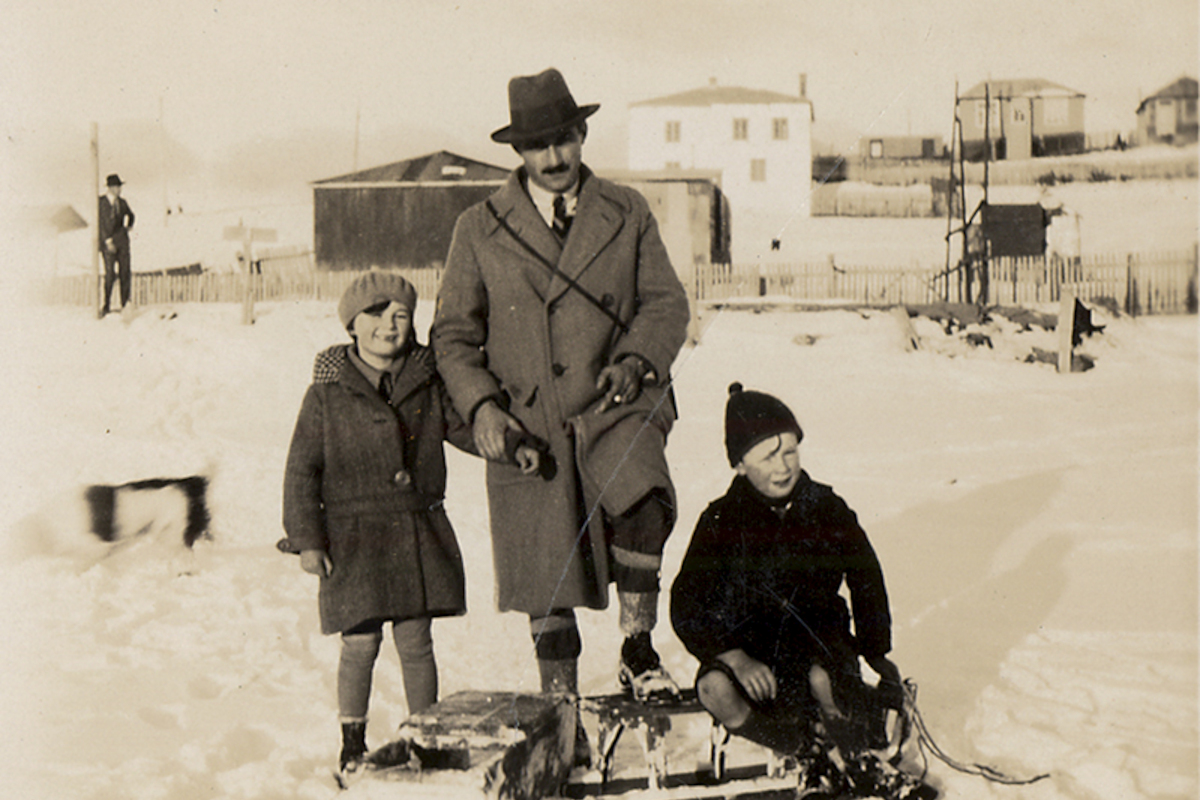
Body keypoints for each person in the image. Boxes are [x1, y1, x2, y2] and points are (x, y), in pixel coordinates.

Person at [432, 68, 691, 703]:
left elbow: (665, 304)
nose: (553, 158)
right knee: (544, 569)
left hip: (615, 401)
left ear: (582, 134)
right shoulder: (478, 227)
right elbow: (453, 337)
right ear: (517, 152)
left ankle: (637, 648)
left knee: (645, 498)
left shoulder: (626, 211)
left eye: (564, 140)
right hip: (530, 421)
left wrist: (633, 360)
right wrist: (483, 409)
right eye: (538, 146)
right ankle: (559, 702)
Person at [280, 271, 543, 772]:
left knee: (416, 642)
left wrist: (512, 445)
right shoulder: (326, 394)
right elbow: (300, 470)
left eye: (400, 315)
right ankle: (352, 742)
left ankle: (426, 735)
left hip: (415, 532)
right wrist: (307, 539)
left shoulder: (425, 380)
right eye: (375, 315)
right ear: (351, 325)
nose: (389, 325)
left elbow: (467, 430)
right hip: (352, 538)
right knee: (360, 643)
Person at [670, 384, 935, 799]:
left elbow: (866, 576)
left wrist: (875, 649)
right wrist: (734, 659)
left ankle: (860, 758)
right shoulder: (721, 520)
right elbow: (686, 602)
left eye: (790, 452)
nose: (783, 466)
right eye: (767, 456)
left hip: (818, 643)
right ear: (740, 465)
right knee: (713, 690)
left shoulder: (825, 507)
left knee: (822, 678)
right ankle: (808, 755)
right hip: (754, 653)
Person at [98, 173, 134, 315]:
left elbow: (131, 215)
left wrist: (128, 227)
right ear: (111, 188)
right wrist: (108, 241)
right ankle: (106, 306)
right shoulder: (100, 202)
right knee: (110, 275)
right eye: (117, 187)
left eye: (120, 187)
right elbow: (100, 223)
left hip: (122, 242)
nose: (119, 190)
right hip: (107, 243)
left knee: (125, 272)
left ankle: (125, 304)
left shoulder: (122, 203)